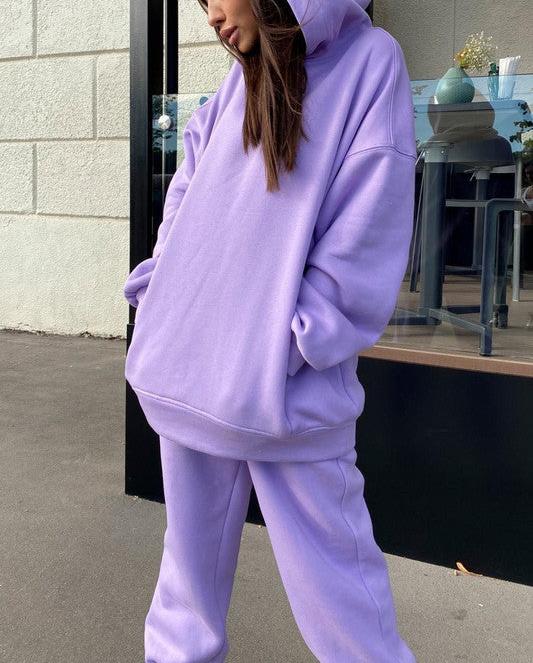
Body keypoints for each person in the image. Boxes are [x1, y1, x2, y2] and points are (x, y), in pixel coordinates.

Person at [123, 1, 418, 661]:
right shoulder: (241, 78)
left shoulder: (371, 63)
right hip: (192, 372)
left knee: (344, 605)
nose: (210, 16)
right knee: (184, 596)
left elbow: (367, 227)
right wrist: (163, 295)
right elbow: (187, 187)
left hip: (286, 392)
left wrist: (291, 340)